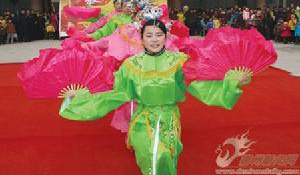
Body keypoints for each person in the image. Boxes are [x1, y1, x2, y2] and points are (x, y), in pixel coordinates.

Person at [59, 19, 250, 175]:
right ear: (141, 39)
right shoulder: (131, 65)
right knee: (151, 159)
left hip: (169, 120)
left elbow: (201, 86)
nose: (154, 39)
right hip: (143, 121)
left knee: (165, 158)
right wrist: (78, 97)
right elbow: (112, 92)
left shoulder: (179, 62)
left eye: (159, 35)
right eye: (149, 35)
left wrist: (232, 82)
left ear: (166, 37)